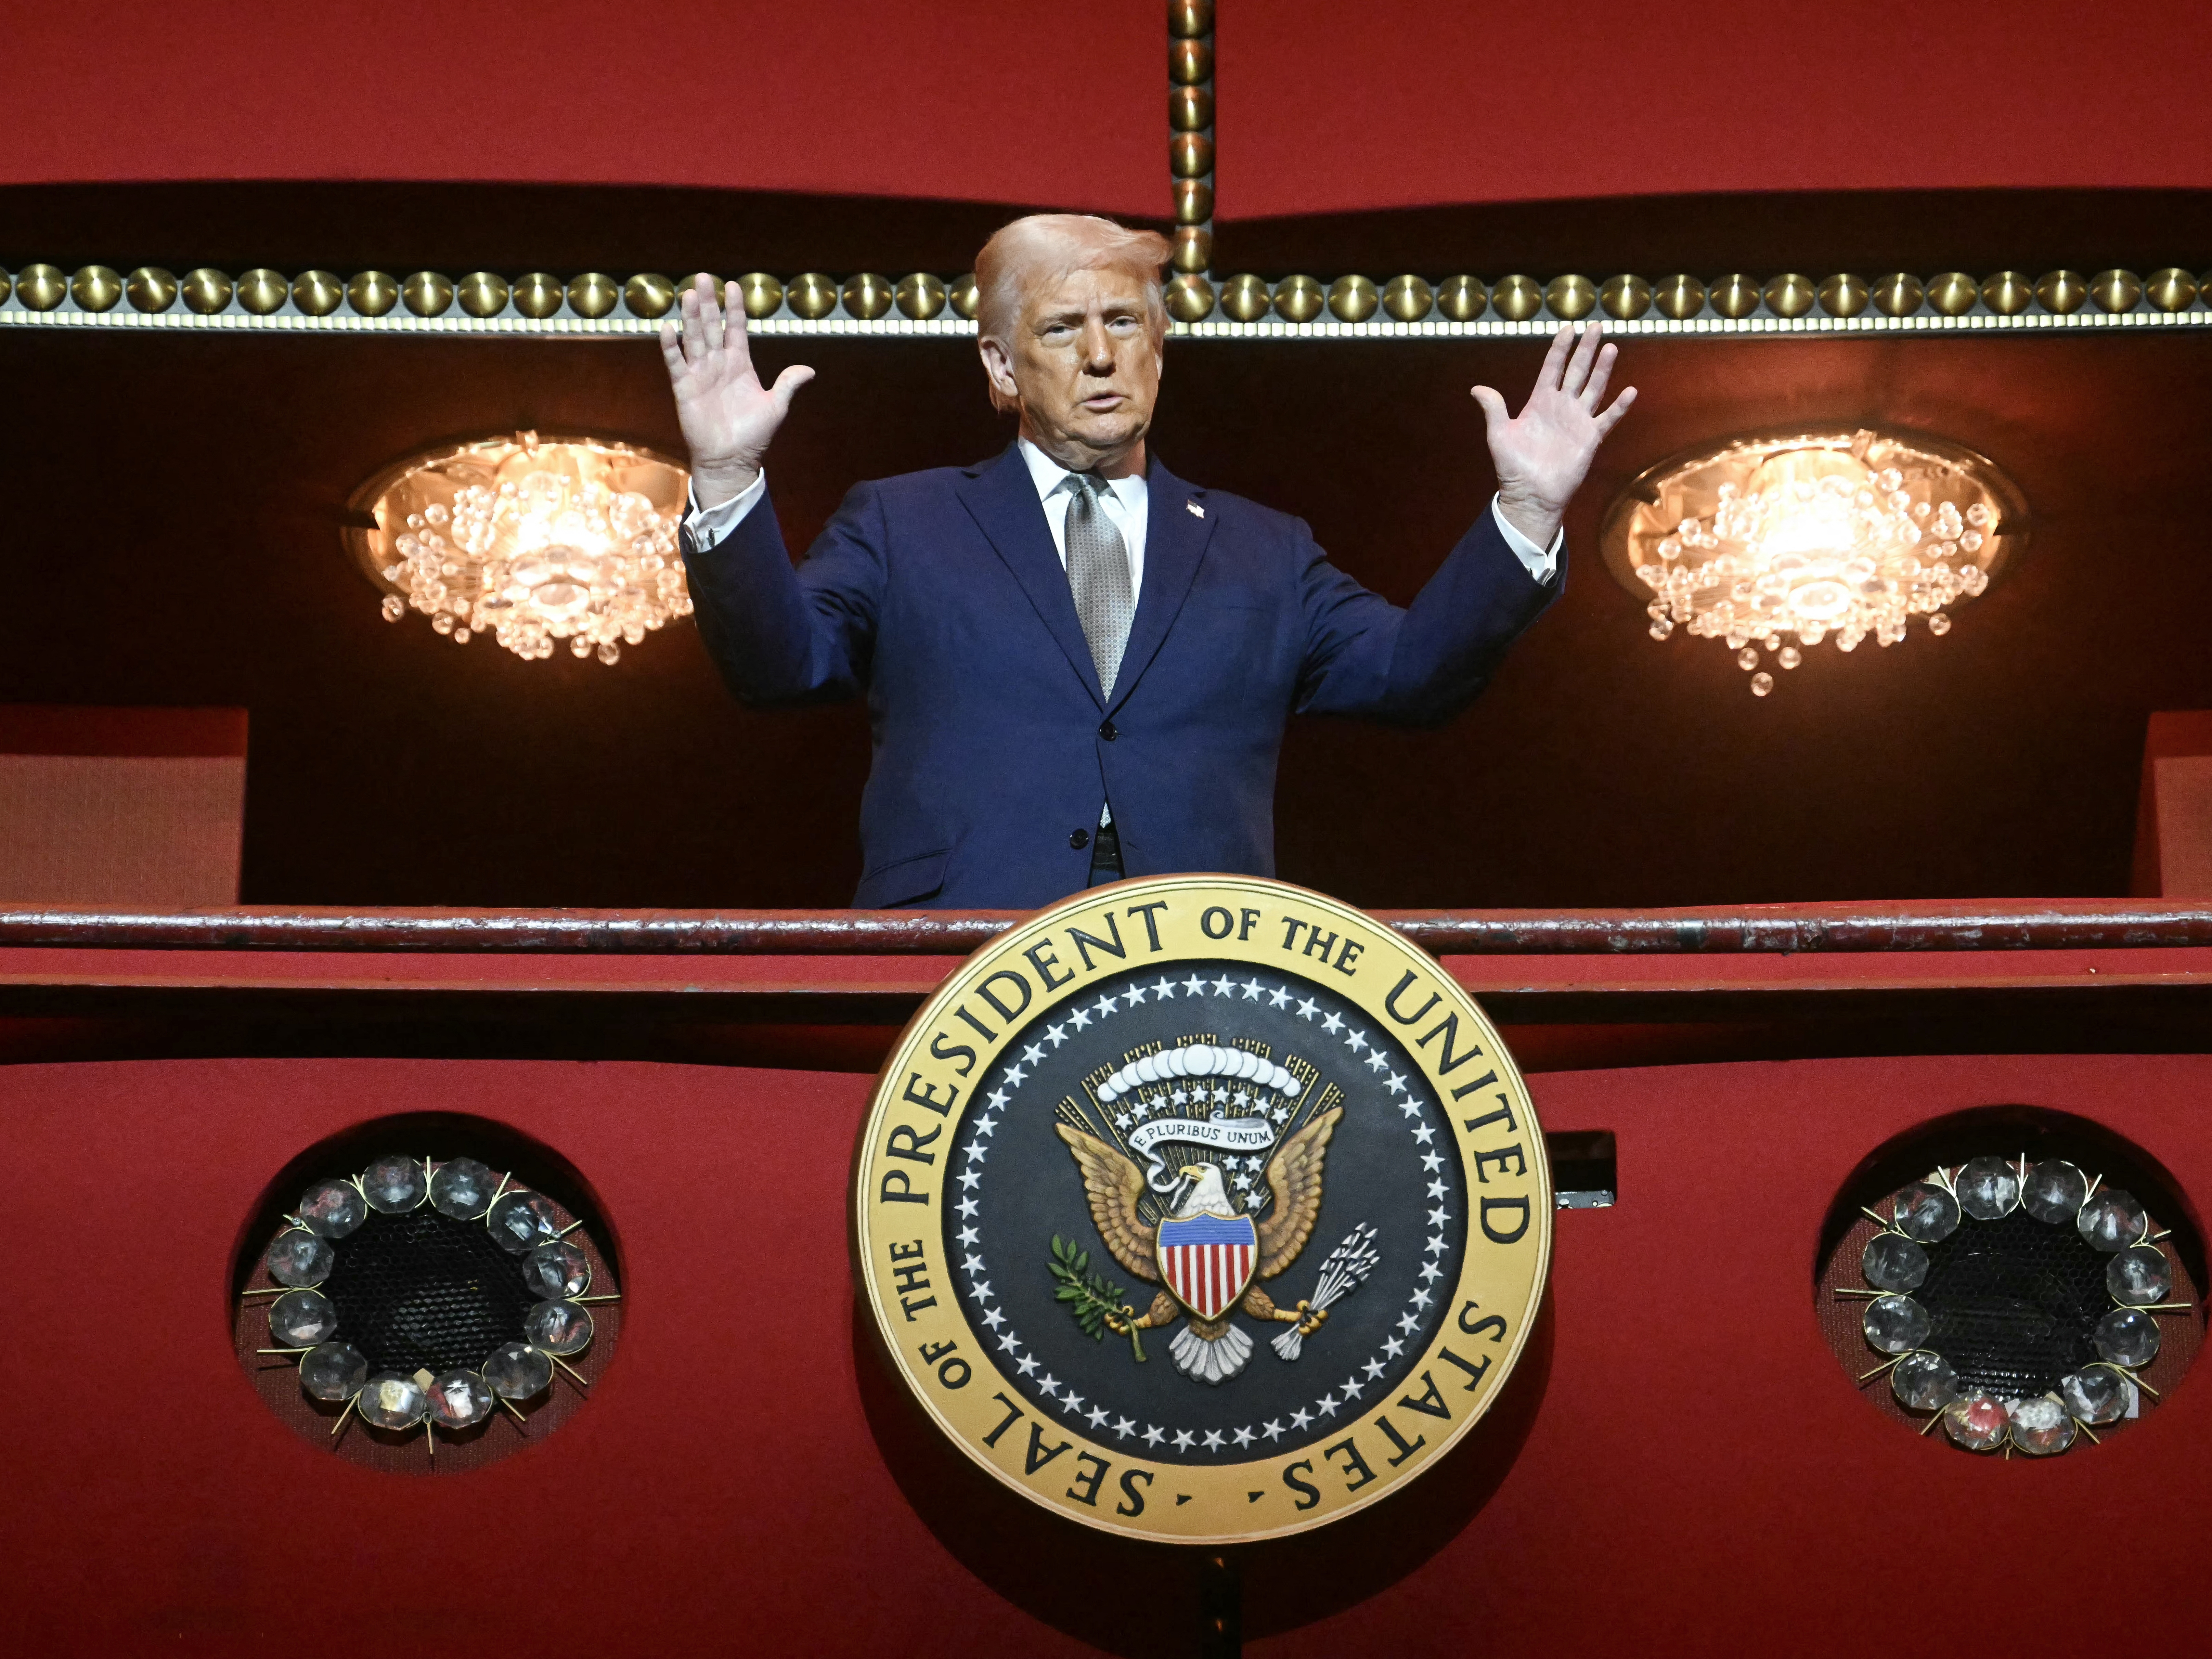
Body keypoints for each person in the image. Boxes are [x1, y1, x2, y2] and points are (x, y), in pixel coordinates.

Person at [661, 213, 1634, 909]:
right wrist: (726, 472)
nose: (1099, 356)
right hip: (961, 957)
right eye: (1059, 328)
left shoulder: (1263, 547)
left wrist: (1527, 507)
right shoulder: (902, 520)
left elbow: (1412, 673)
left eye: (1124, 323)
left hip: (1199, 960)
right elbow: (778, 668)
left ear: (1160, 350)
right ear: (1001, 368)